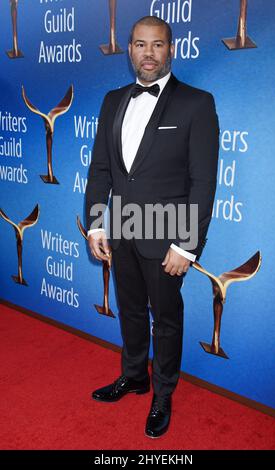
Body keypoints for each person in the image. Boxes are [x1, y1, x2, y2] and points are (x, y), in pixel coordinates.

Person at [85, 15, 219, 438]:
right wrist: (95, 225)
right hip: (121, 230)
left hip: (167, 237)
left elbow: (203, 182)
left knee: (166, 318)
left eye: (157, 45)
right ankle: (135, 376)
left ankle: (163, 393)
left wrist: (187, 245)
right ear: (129, 49)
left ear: (171, 49)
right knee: (129, 311)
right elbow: (101, 170)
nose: (148, 53)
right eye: (140, 45)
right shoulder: (112, 100)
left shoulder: (197, 103)